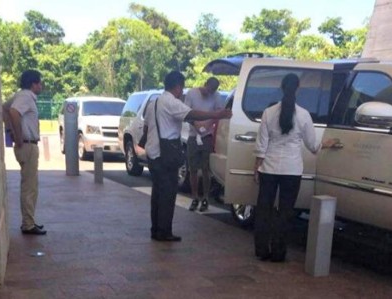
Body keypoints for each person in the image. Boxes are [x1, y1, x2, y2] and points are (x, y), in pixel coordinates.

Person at [253, 73, 336, 261]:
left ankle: (261, 250)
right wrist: (326, 144)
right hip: (292, 170)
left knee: (264, 209)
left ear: (282, 88)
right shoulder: (304, 115)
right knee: (285, 211)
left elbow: (261, 146)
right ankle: (278, 252)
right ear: (297, 88)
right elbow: (312, 146)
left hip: (269, 168)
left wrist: (256, 168)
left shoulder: (269, 112)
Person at [144, 71, 232, 242]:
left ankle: (156, 229)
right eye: (181, 88)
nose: (181, 91)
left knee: (157, 194)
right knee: (168, 194)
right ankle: (164, 232)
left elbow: (148, 127)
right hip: (166, 155)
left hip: (153, 153)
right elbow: (192, 114)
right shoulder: (171, 102)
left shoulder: (153, 103)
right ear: (177, 87)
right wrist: (217, 115)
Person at [6, 69, 46, 235]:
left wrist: (10, 132)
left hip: (27, 145)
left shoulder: (19, 96)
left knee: (28, 185)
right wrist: (18, 135)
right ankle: (28, 224)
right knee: (30, 187)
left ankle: (29, 221)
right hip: (28, 145)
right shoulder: (26, 97)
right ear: (33, 84)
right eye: (39, 82)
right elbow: (13, 112)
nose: (41, 86)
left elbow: (4, 109)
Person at [184, 77, 224, 212]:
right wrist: (196, 124)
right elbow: (186, 113)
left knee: (206, 168)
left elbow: (218, 114)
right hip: (193, 135)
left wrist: (208, 124)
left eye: (213, 91)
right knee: (193, 169)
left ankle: (205, 197)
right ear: (205, 84)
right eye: (209, 89)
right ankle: (195, 196)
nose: (210, 93)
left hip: (207, 136)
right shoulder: (192, 94)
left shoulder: (217, 97)